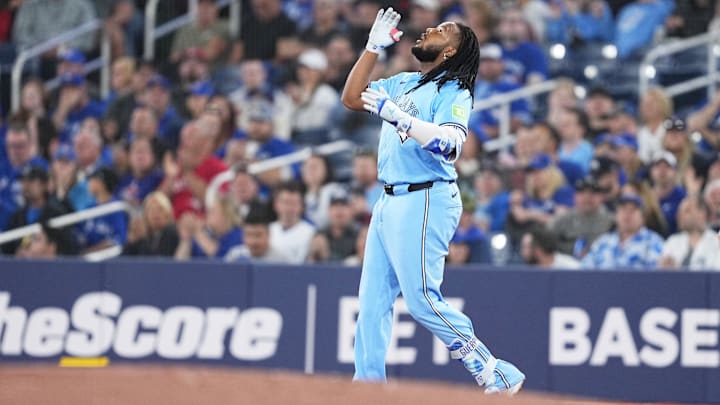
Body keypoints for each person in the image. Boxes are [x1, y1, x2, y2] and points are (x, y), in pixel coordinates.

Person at [340, 8, 524, 393]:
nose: (430, 29)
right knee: (372, 302)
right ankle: (366, 388)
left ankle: (495, 371)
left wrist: (399, 118)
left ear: (451, 52)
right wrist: (372, 47)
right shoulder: (406, 81)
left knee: (422, 298)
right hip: (389, 198)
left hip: (426, 196)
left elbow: (450, 145)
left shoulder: (455, 92)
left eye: (443, 31)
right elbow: (352, 98)